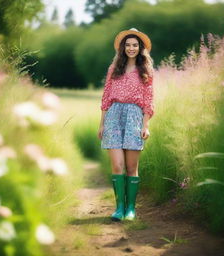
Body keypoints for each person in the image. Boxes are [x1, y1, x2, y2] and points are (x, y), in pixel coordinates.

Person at [97, 28, 154, 221]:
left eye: (135, 45)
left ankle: (131, 209)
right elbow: (105, 97)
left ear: (140, 48)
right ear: (123, 48)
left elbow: (149, 100)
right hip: (113, 116)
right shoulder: (113, 69)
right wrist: (102, 124)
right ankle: (119, 208)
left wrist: (145, 125)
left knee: (131, 167)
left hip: (134, 118)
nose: (131, 48)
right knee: (117, 165)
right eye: (128, 45)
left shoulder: (146, 71)